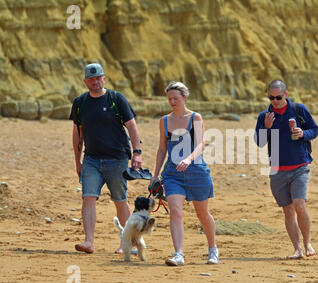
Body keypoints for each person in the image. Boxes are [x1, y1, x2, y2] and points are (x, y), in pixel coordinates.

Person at [70, 63, 143, 254]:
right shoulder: (80, 103)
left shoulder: (115, 99)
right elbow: (78, 133)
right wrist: (77, 161)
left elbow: (132, 126)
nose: (95, 82)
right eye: (91, 79)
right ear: (85, 81)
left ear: (104, 79)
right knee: (88, 198)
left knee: (120, 199)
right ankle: (88, 242)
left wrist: (137, 153)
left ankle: (125, 243)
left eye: (98, 78)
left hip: (117, 158)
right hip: (91, 159)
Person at [150, 81, 218, 266]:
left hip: (197, 171)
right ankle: (179, 254)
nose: (172, 102)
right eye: (169, 99)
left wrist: (188, 159)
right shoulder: (164, 121)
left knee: (203, 214)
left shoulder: (195, 118)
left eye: (176, 98)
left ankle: (213, 249)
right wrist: (155, 175)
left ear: (184, 97)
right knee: (175, 211)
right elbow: (162, 149)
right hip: (172, 174)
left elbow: (201, 144)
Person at [254, 80, 318, 259]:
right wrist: (266, 128)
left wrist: (303, 133)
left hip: (300, 166)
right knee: (288, 210)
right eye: (271, 97)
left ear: (286, 95)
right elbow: (259, 142)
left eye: (278, 97)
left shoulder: (298, 110)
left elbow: (314, 129)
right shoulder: (265, 116)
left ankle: (307, 244)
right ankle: (297, 249)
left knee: (299, 204)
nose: (275, 101)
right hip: (277, 169)